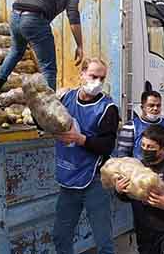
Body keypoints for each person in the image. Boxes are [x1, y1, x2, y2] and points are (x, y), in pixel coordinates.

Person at [52, 58, 119, 254]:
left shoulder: (108, 108)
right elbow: (47, 120)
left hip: (94, 181)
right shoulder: (66, 99)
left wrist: (80, 139)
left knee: (103, 241)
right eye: (93, 76)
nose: (97, 82)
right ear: (82, 74)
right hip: (68, 179)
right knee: (60, 236)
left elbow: (107, 146)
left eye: (101, 78)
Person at [0, 0, 84, 96]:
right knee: (48, 67)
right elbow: (73, 19)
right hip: (33, 19)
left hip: (15, 16)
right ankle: (49, 106)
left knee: (16, 51)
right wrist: (79, 45)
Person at [115, 124, 164, 254]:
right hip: (144, 230)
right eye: (143, 145)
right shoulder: (138, 167)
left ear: (163, 149)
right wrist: (119, 191)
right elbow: (129, 196)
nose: (145, 150)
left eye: (150, 147)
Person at [116, 90, 164, 165]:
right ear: (142, 107)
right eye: (151, 105)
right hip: (144, 174)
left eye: (158, 105)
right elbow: (123, 155)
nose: (155, 108)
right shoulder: (130, 127)